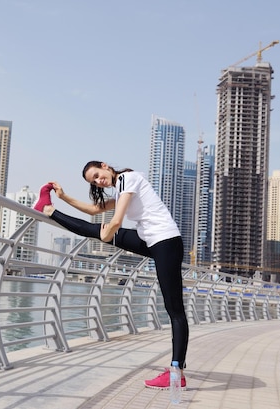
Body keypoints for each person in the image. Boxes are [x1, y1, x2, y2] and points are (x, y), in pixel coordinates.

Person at [33, 161, 188, 390]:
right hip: (152, 241)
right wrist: (63, 197)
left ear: (105, 166)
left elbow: (117, 220)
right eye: (93, 181)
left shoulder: (128, 179)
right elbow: (94, 210)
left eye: (97, 175)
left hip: (166, 242)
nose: (98, 181)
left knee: (174, 310)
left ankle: (177, 373)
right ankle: (48, 209)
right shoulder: (122, 186)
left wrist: (107, 236)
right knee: (96, 230)